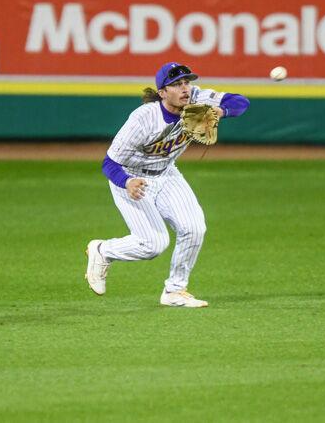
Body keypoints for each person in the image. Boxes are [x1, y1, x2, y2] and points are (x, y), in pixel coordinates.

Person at [85, 61, 250, 308]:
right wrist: (127, 182)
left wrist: (221, 112)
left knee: (194, 228)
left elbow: (240, 102)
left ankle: (175, 291)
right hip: (132, 178)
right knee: (153, 244)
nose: (185, 88)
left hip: (167, 173)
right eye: (176, 84)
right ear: (162, 92)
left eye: (187, 82)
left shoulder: (196, 98)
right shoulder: (143, 119)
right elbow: (109, 163)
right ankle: (103, 250)